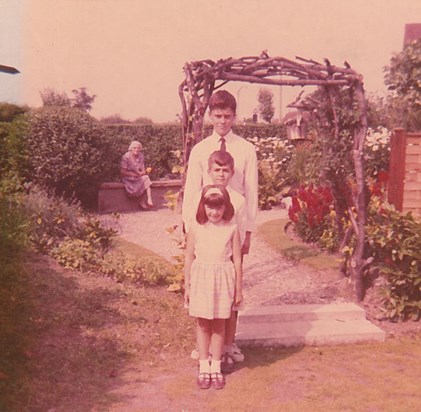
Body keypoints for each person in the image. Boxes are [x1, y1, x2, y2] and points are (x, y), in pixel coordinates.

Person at [182, 90, 258, 367]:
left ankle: (228, 343)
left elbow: (251, 191)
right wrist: (188, 225)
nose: (223, 121)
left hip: (233, 224)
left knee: (230, 283)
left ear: (234, 116)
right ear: (210, 116)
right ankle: (205, 346)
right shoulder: (201, 150)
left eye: (227, 116)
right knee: (205, 282)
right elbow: (192, 189)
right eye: (217, 116)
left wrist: (248, 231)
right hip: (206, 222)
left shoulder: (246, 149)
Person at [184, 185, 243, 390]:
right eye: (210, 207)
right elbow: (189, 256)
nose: (214, 212)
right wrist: (188, 286)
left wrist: (238, 288)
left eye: (219, 208)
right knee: (202, 323)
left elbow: (237, 260)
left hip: (223, 279)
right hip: (201, 278)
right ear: (203, 206)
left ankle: (216, 367)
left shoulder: (231, 228)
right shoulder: (196, 227)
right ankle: (203, 366)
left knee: (219, 324)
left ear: (226, 207)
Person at [120, 141, 153, 209]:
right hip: (128, 177)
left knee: (146, 178)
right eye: (134, 148)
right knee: (143, 181)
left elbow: (142, 169)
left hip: (137, 176)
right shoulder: (126, 156)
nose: (136, 150)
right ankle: (141, 201)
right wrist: (133, 175)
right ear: (131, 148)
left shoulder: (141, 155)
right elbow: (122, 172)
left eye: (138, 148)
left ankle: (149, 199)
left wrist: (143, 172)